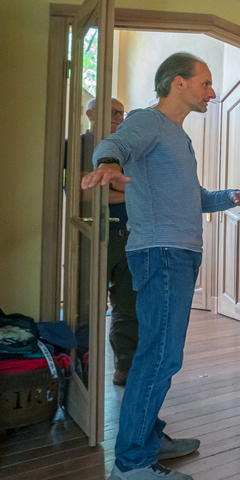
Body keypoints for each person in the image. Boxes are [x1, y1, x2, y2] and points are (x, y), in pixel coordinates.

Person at [82, 52, 240, 480]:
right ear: (178, 83)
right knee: (159, 355)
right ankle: (132, 463)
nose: (212, 92)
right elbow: (112, 145)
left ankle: (150, 437)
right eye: (206, 83)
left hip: (179, 253)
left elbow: (192, 196)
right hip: (160, 253)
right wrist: (109, 166)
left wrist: (228, 197)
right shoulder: (147, 121)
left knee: (158, 353)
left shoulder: (178, 136)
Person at [84, 97, 136, 387]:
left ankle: (124, 368)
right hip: (94, 236)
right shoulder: (77, 145)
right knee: (88, 307)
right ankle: (81, 370)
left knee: (127, 307)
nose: (119, 117)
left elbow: (132, 185)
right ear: (91, 113)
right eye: (113, 112)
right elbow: (84, 194)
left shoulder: (126, 151)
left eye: (121, 113)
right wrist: (130, 193)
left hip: (129, 237)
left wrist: (116, 191)